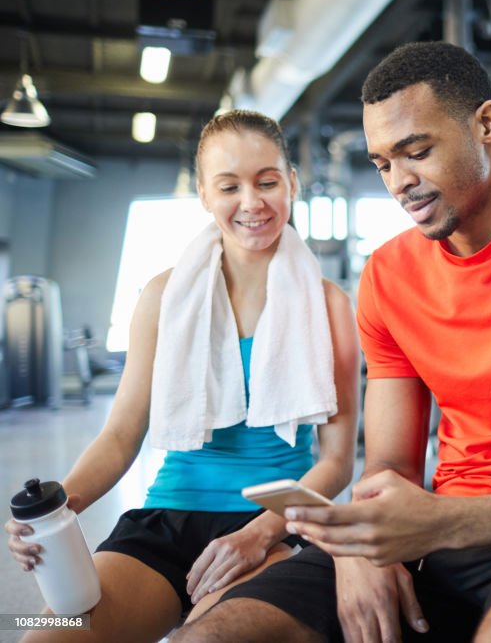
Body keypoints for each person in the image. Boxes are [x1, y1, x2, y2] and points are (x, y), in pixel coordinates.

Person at [176, 42, 491, 643]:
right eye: (384, 162)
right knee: (213, 636)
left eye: (417, 152)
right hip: (436, 528)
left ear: (486, 124)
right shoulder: (388, 276)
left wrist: (444, 523)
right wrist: (364, 548)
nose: (400, 182)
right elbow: (390, 464)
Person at [4, 110, 359, 643]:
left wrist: (260, 534)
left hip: (268, 525)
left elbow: (335, 462)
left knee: (208, 638)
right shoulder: (163, 296)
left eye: (267, 182)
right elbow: (122, 433)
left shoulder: (329, 306)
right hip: (164, 521)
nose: (252, 202)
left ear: (292, 183)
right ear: (203, 194)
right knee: (43, 635)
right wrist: (58, 507)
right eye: (229, 186)